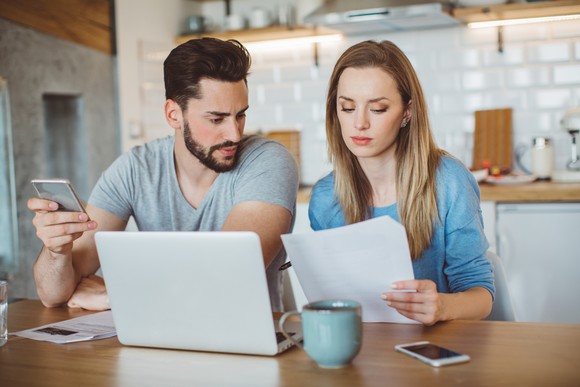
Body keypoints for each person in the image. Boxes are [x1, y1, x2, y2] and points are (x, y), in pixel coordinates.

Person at [28, 38, 299, 312]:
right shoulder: (134, 169)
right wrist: (57, 251)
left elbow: (228, 277)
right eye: (216, 119)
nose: (234, 133)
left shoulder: (268, 161)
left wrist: (117, 296)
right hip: (154, 340)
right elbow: (53, 296)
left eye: (240, 115)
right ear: (173, 115)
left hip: (249, 344)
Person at [308, 40, 494, 326]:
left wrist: (442, 306)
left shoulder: (448, 181)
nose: (359, 123)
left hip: (437, 352)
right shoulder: (324, 197)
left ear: (407, 112)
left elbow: (481, 296)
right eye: (347, 108)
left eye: (378, 109)